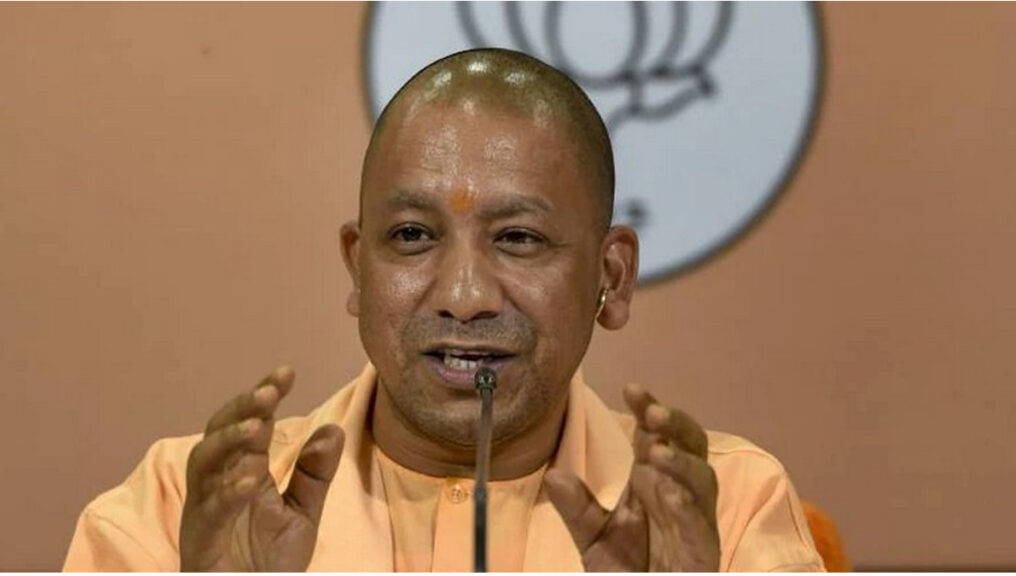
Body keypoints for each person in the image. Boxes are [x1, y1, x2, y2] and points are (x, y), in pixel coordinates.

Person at [64, 48, 824, 572]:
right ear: (358, 267)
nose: (464, 298)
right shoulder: (181, 507)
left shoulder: (723, 509)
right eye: (413, 236)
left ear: (612, 276)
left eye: (518, 238)